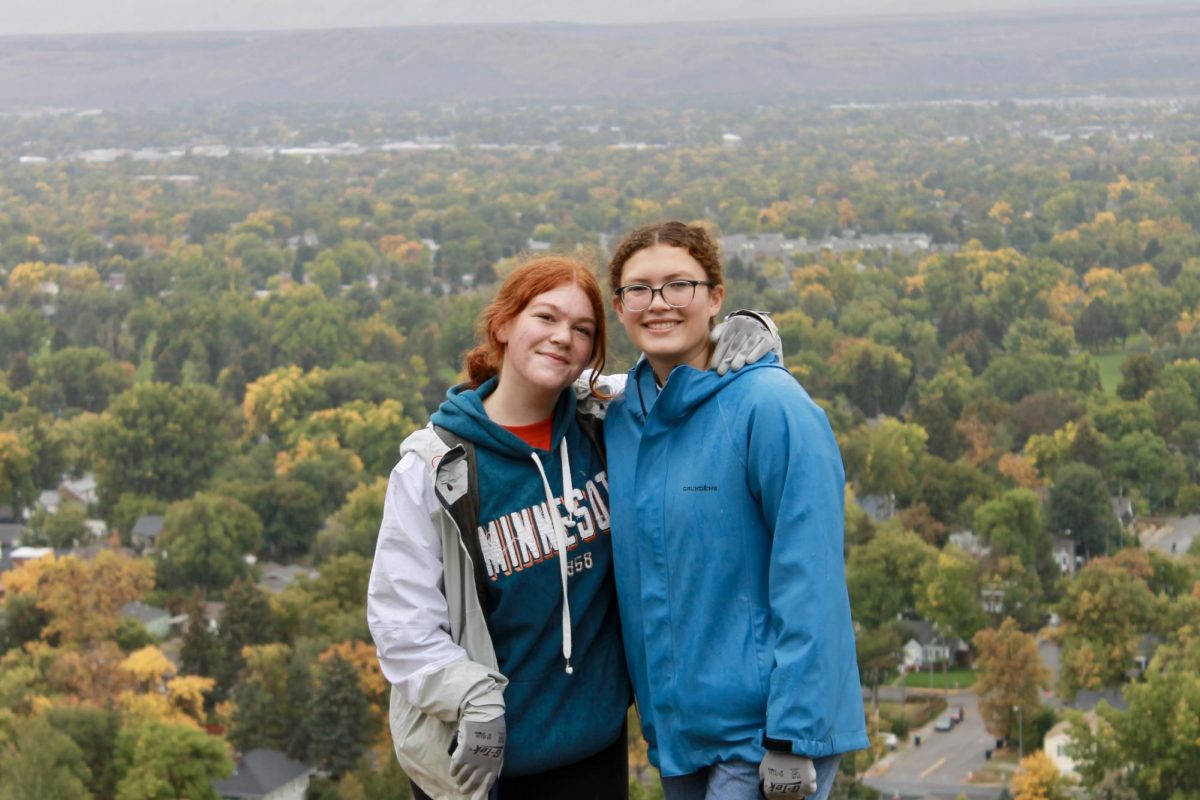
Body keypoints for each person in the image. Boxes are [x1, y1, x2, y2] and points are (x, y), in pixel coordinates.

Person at [367, 255, 777, 800]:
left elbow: (690, 378)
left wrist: (752, 331)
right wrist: (470, 697)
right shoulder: (438, 468)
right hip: (482, 763)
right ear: (504, 325)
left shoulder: (605, 420)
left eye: (582, 330)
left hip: (593, 754)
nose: (563, 338)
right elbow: (401, 622)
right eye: (545, 317)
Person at [603, 221, 869, 800]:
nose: (659, 304)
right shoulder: (621, 419)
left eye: (679, 285)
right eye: (638, 290)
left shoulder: (772, 407)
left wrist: (794, 735)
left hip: (762, 740)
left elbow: (812, 578)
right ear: (619, 307)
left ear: (716, 296)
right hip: (678, 736)